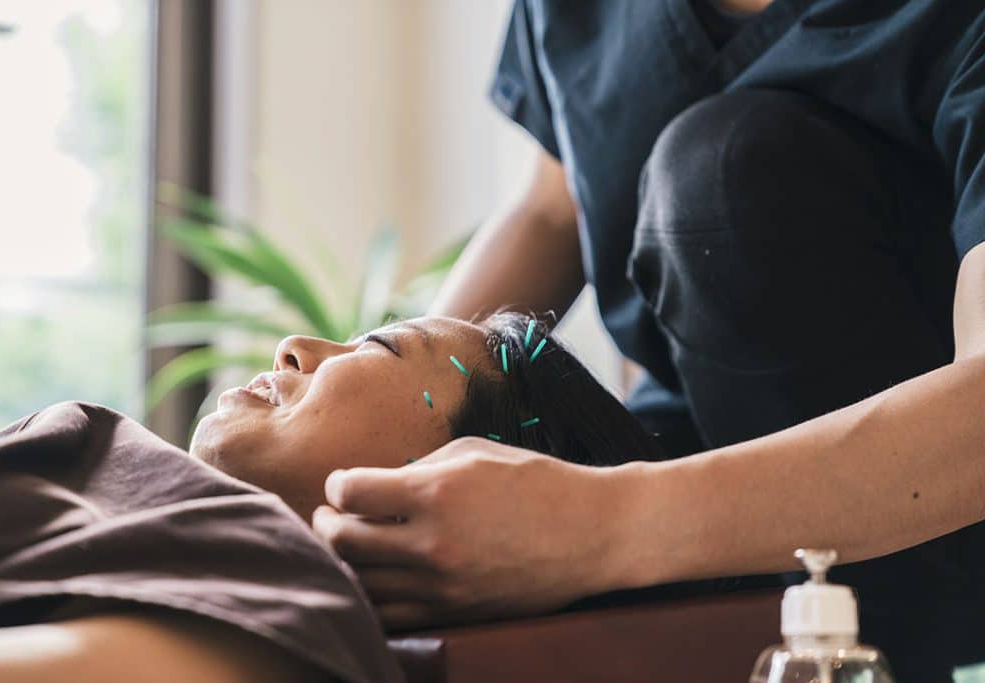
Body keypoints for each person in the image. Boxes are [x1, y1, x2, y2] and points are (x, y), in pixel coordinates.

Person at [310, 1, 985, 680]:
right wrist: (370, 374)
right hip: (677, 444)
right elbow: (555, 201)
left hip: (933, 512)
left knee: (719, 178)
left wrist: (603, 526)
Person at [0, 313, 659, 681]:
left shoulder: (287, 601)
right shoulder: (138, 498)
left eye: (379, 346)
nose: (292, 347)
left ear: (458, 483)